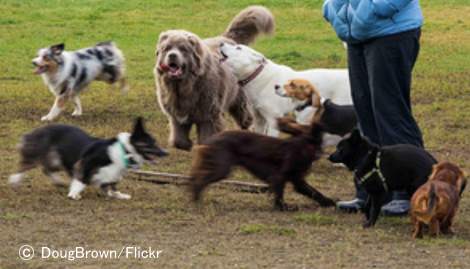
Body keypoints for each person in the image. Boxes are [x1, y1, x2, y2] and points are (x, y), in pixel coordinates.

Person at [322, 0, 424, 215]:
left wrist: (370, 10)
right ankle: (372, 190)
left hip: (391, 33)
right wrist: (332, 9)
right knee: (365, 113)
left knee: (391, 113)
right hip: (357, 35)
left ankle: (409, 192)